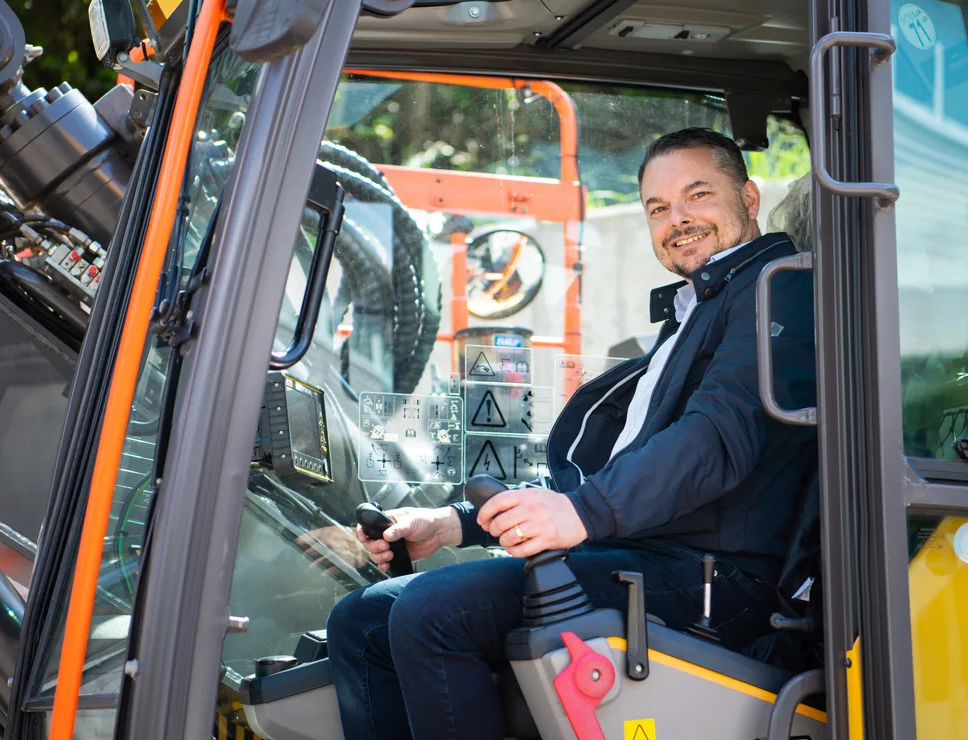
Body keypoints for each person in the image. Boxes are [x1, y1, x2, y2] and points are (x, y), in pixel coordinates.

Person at [319, 127, 817, 740]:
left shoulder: (779, 290)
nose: (678, 219)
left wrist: (583, 512)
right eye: (658, 208)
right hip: (646, 553)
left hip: (716, 579)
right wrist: (457, 524)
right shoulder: (701, 308)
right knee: (363, 619)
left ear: (748, 197)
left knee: (432, 614)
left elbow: (717, 439)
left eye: (698, 195)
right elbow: (610, 468)